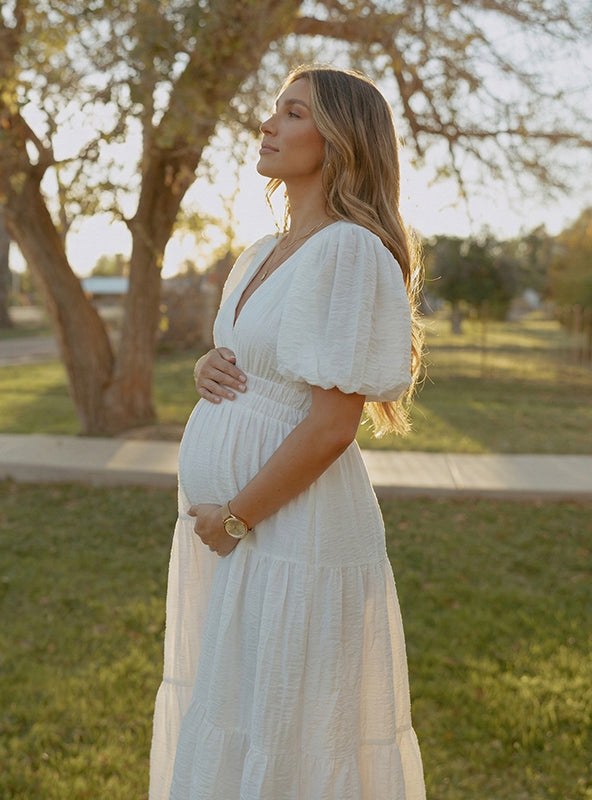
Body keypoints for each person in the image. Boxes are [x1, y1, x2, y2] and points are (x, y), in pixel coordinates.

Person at [149, 65, 427, 800]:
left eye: (293, 112)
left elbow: (334, 425)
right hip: (236, 537)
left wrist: (238, 513)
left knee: (289, 737)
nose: (268, 124)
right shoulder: (256, 255)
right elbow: (264, 371)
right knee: (237, 722)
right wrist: (209, 366)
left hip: (286, 534)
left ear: (338, 141)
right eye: (273, 108)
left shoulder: (350, 250)